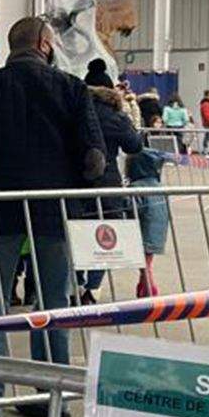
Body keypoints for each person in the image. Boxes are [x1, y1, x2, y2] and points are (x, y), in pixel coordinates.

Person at [0, 16, 106, 417]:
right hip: (54, 213)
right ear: (45, 44)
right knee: (53, 306)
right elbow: (94, 158)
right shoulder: (72, 89)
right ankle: (49, 398)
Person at [71, 87, 143, 304]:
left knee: (77, 234)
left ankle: (76, 283)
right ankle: (93, 289)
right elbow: (134, 146)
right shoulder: (117, 117)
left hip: (77, 180)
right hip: (108, 182)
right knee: (104, 236)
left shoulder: (77, 116)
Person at [126, 141, 172, 297]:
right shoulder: (159, 187)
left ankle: (150, 291)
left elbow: (131, 209)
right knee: (147, 263)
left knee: (144, 265)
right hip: (157, 231)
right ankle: (143, 288)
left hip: (143, 230)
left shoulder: (136, 188)